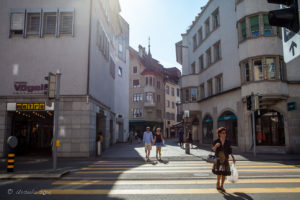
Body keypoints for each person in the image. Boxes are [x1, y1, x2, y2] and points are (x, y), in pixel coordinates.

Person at [212, 127, 235, 192]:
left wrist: (233, 157)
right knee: (219, 173)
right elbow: (213, 149)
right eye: (223, 133)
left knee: (224, 173)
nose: (224, 134)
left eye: (225, 133)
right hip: (218, 160)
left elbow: (230, 150)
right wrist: (216, 146)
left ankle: (222, 186)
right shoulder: (216, 141)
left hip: (225, 159)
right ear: (219, 134)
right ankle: (217, 183)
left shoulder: (228, 142)